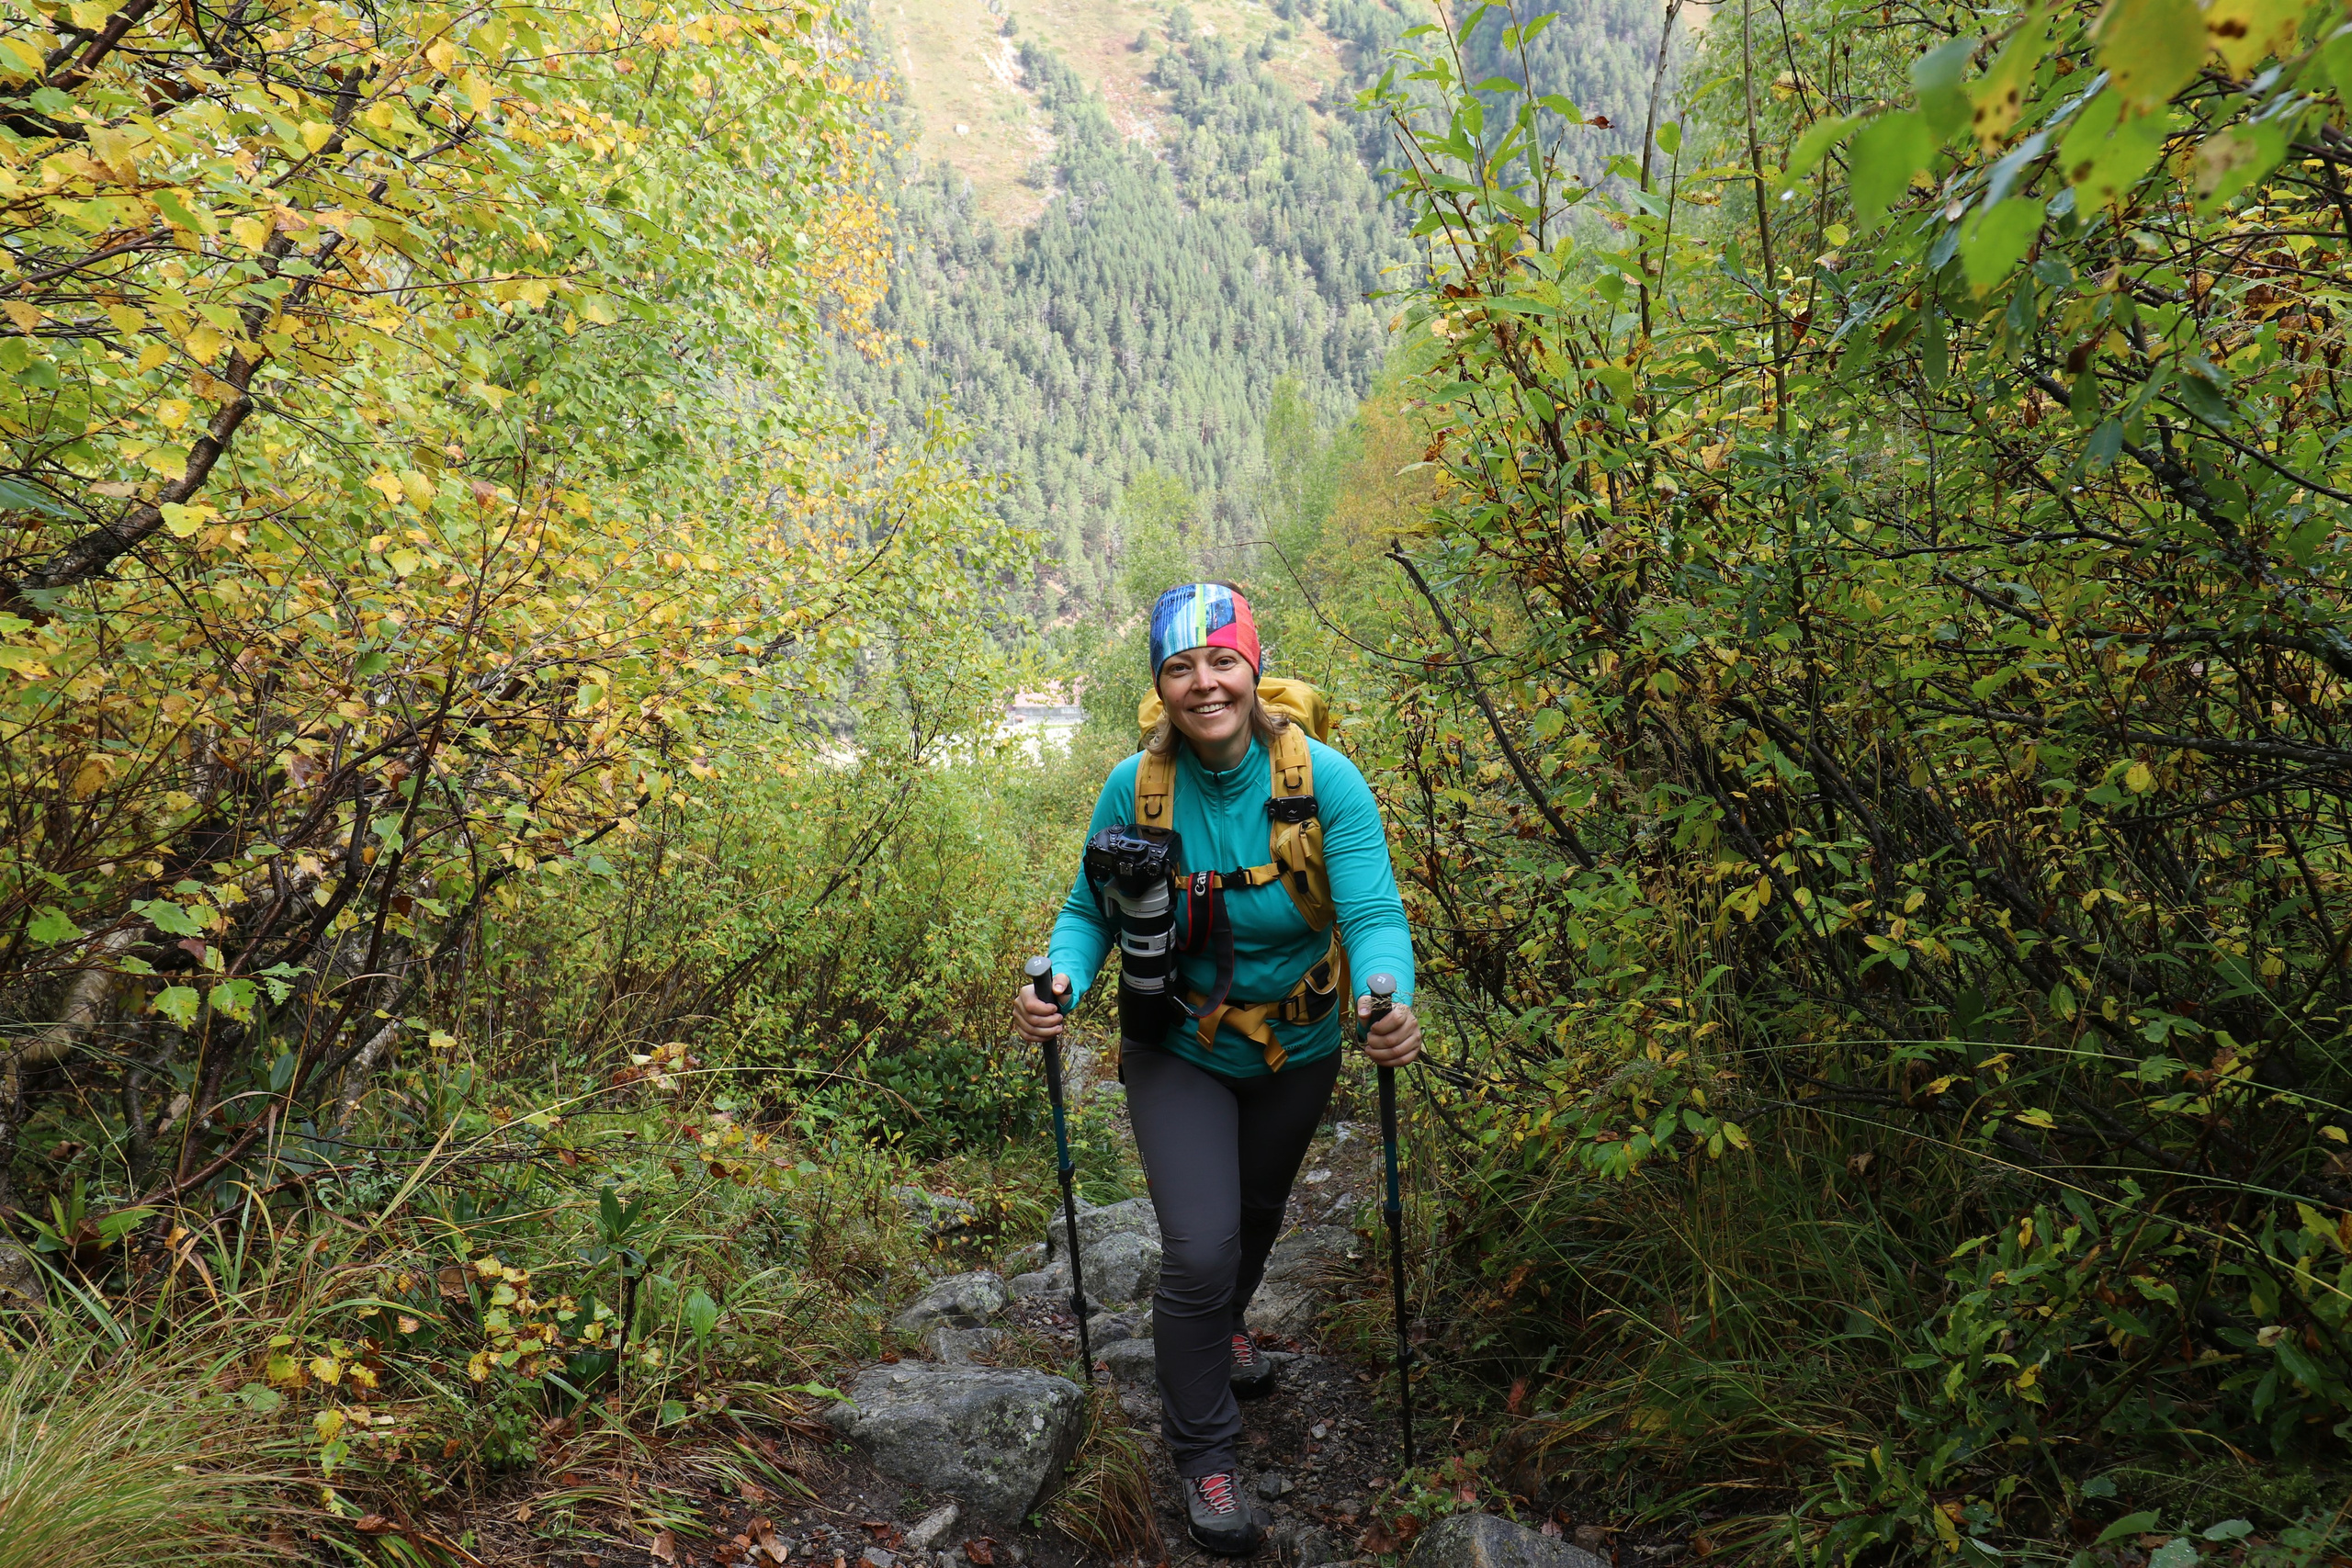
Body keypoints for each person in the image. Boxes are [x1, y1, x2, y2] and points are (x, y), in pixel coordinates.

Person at [1012, 581, 1420, 1557]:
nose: (1205, 685)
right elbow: (1087, 911)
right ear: (1161, 684)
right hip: (1178, 1044)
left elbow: (1373, 913)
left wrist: (1386, 994)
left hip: (1303, 1041)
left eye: (1222, 662)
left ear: (1253, 669)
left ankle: (1223, 1327)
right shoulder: (1135, 789)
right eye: (1181, 667)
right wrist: (1058, 981)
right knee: (1199, 1248)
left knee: (1255, 1218)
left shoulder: (1326, 781)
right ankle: (1206, 1456)